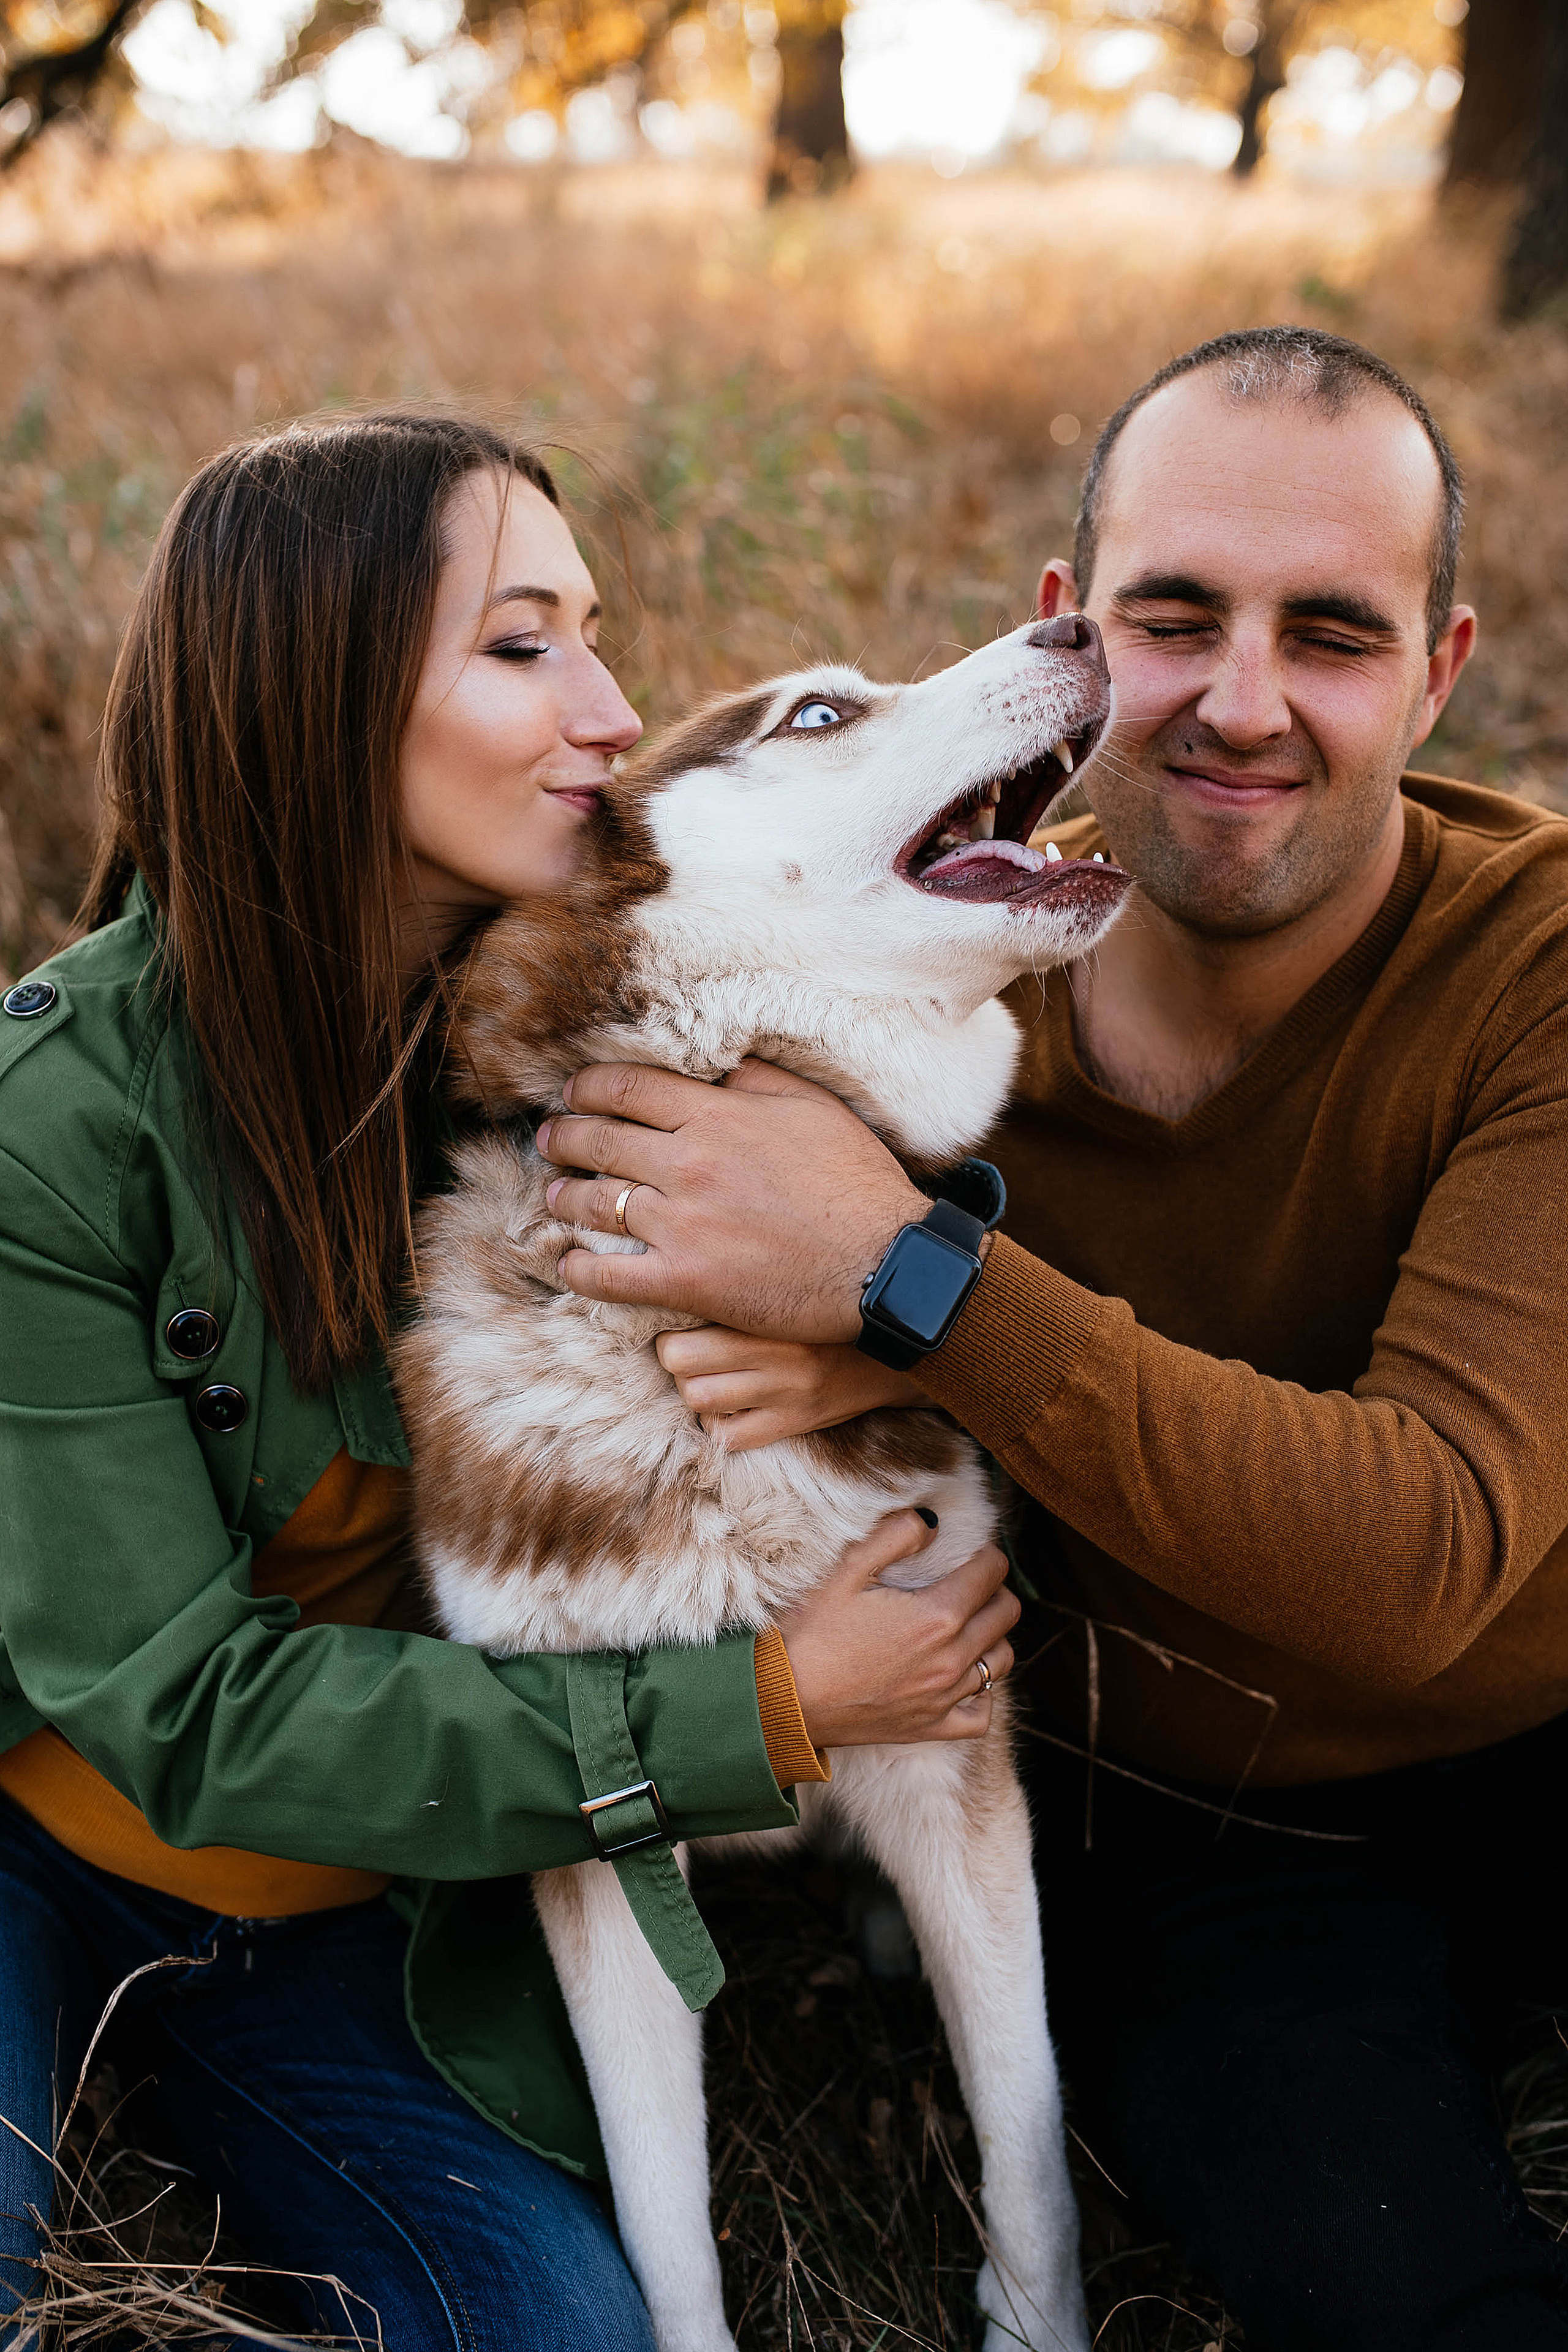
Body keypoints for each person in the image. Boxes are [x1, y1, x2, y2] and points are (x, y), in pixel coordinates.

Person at [535, 326, 1568, 2351]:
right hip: (1207, 1829)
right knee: (1383, 2279)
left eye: (1333, 637)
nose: (1242, 703)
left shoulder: (1532, 969)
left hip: (1546, 1706)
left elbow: (1425, 1559)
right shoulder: (894, 979)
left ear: (1439, 672)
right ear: (1069, 636)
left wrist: (918, 1292)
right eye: (1174, 618)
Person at [0, 412, 1020, 2350]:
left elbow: (875, 1084)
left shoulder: (592, 999)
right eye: (523, 644)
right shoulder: (49, 1131)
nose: (616, 709)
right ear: (313, 702)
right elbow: (189, 1714)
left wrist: (875, 1303)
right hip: (48, 1831)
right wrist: (764, 1708)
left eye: (600, 633)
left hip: (372, 1907)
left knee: (551, 2331)